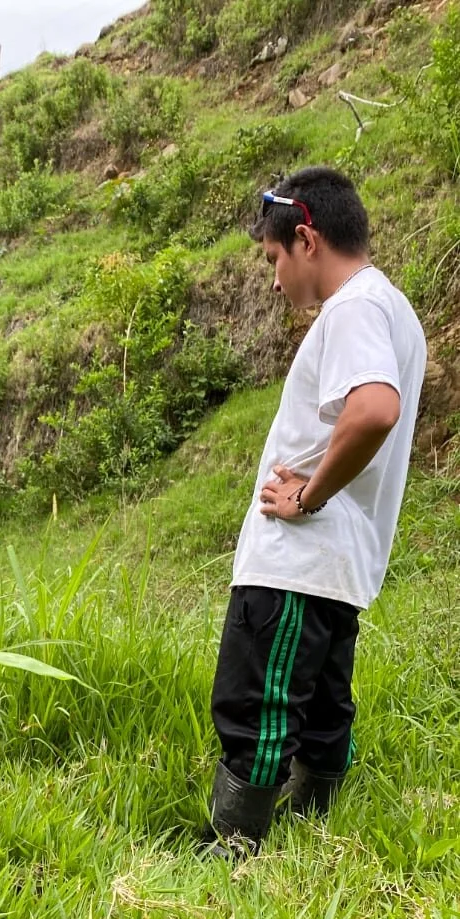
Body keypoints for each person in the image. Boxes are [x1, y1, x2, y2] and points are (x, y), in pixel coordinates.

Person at [206, 166, 426, 853]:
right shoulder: (390, 306)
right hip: (335, 564)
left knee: (257, 706)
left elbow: (373, 410)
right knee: (322, 706)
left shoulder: (353, 308)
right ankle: (315, 826)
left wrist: (306, 495)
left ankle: (233, 848)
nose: (273, 280)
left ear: (306, 239)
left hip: (297, 562)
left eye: (272, 259)